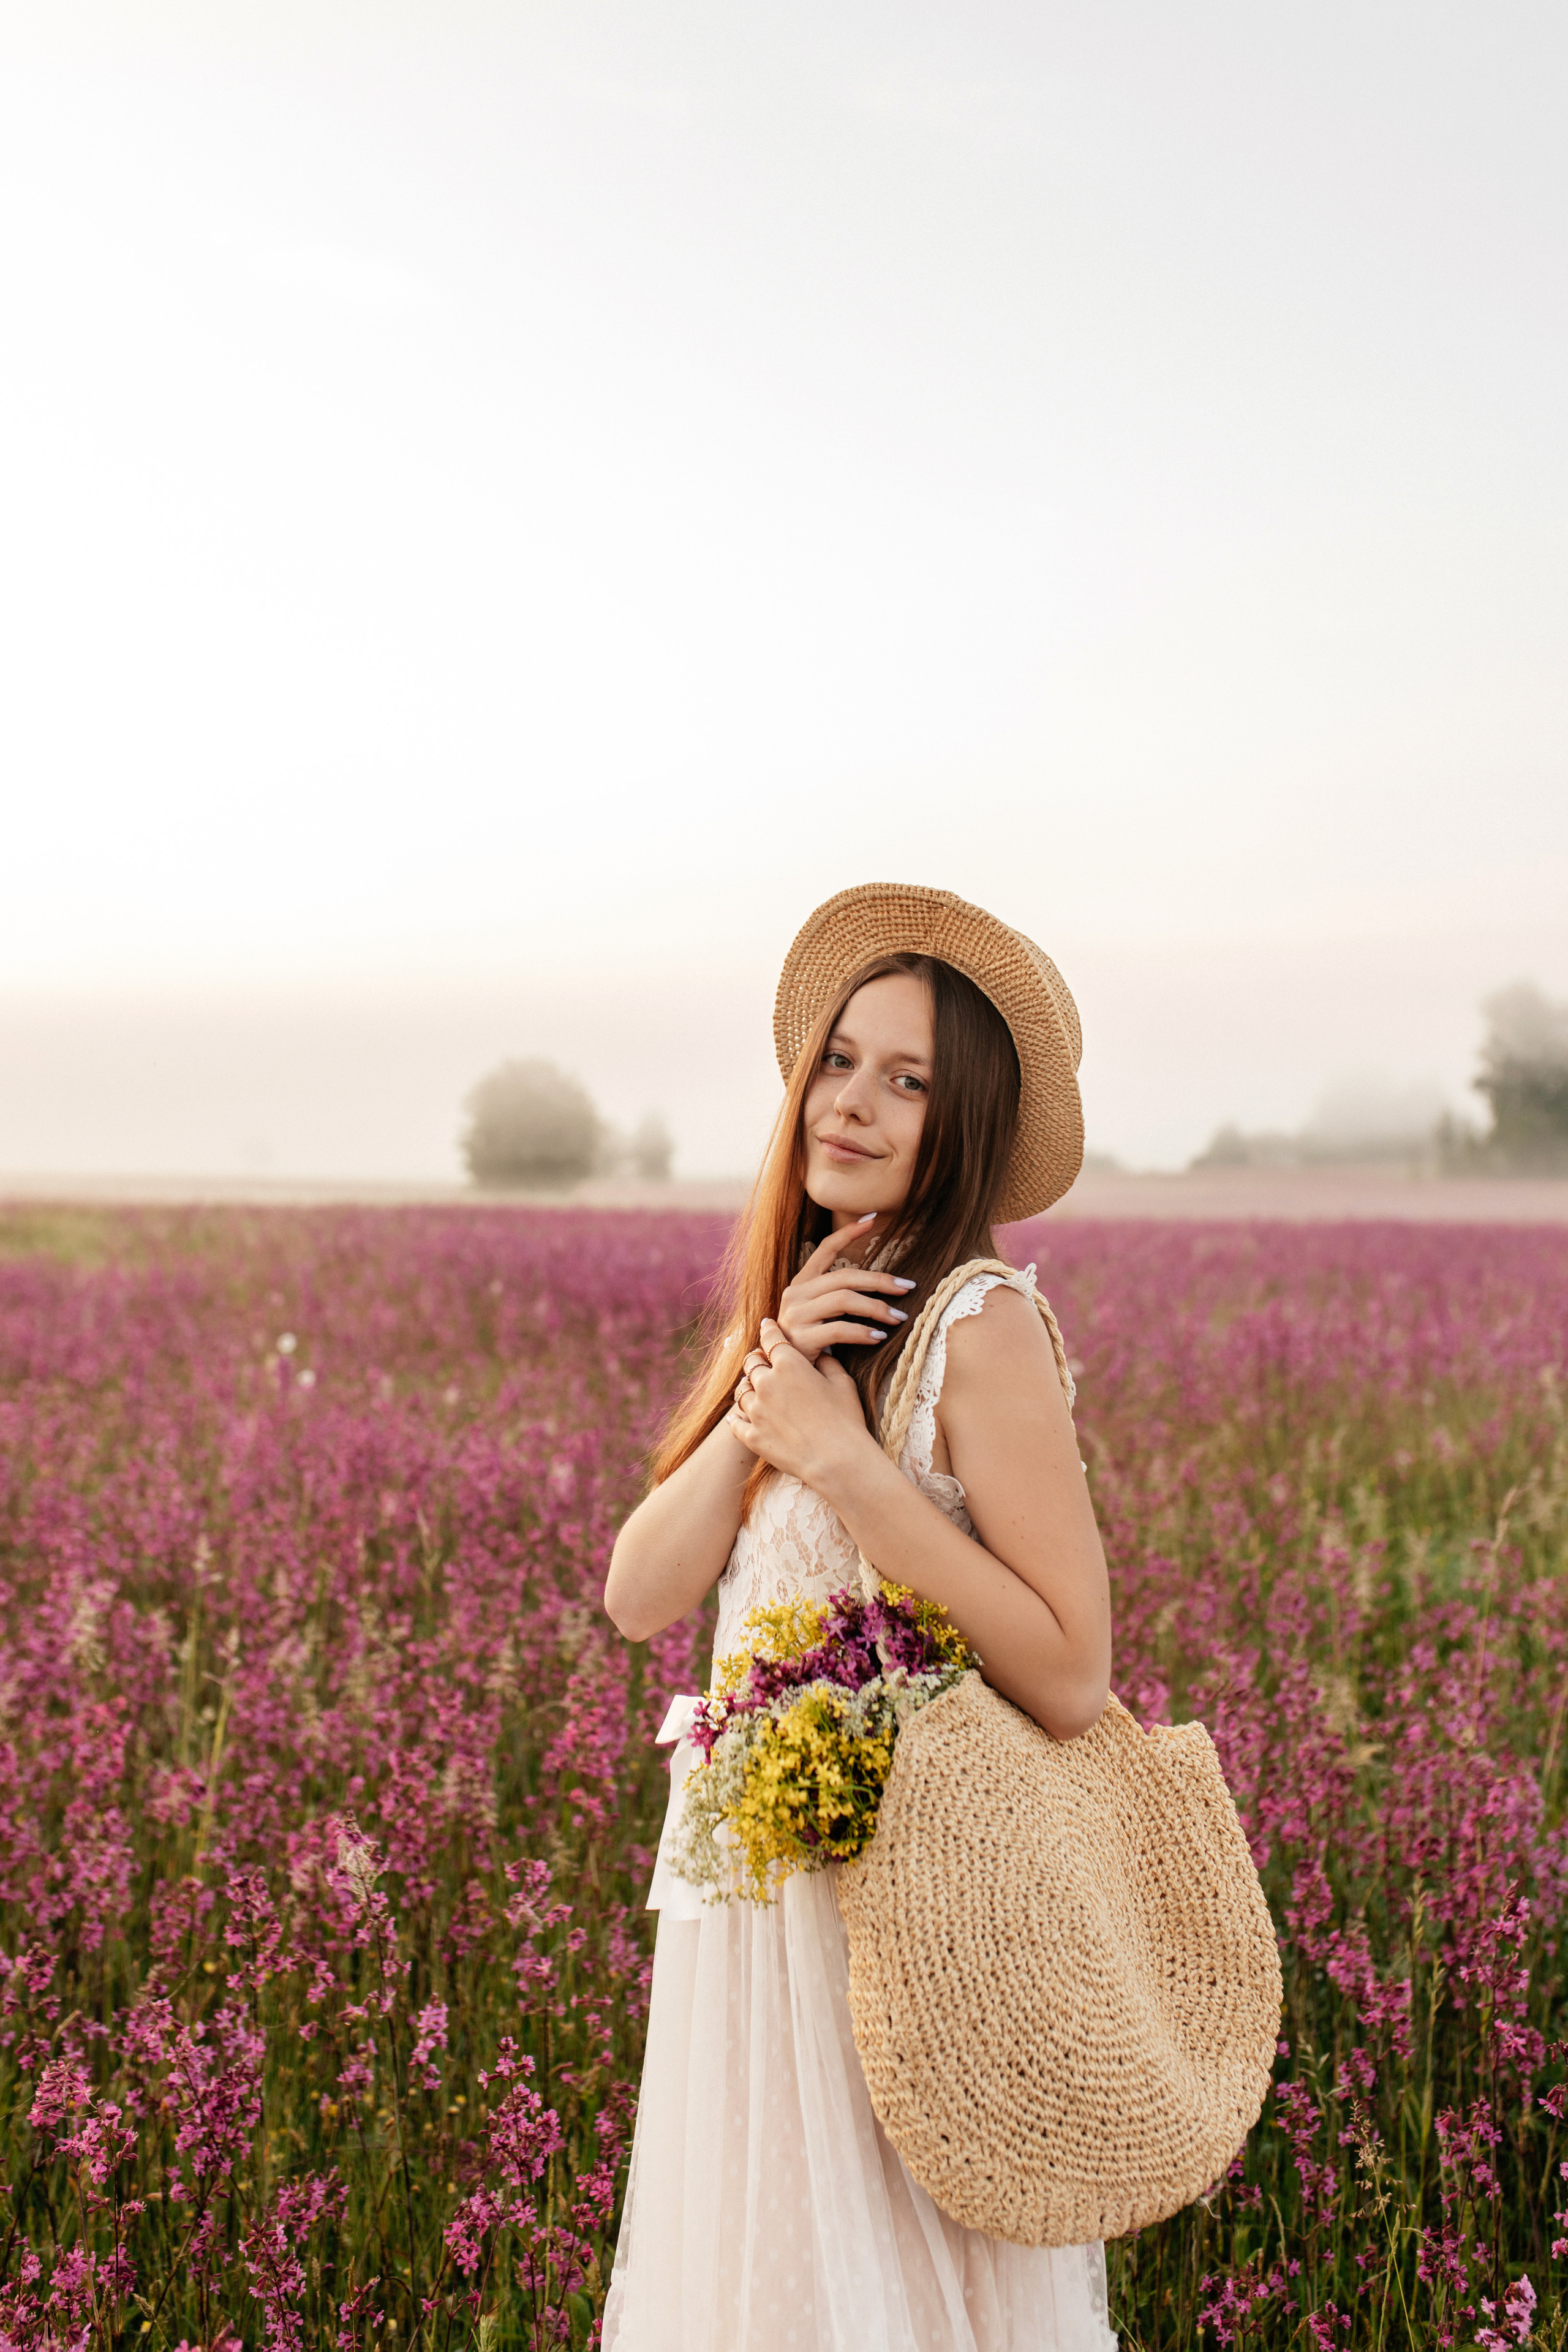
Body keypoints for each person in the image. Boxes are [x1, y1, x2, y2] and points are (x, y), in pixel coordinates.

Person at [601, 883, 1115, 2352]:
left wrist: (844, 1464)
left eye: (908, 1083)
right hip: (756, 1919)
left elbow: (1072, 1670)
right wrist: (764, 1400)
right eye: (840, 1061)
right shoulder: (802, 1310)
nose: (854, 1104)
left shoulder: (980, 1324)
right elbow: (641, 1594)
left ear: (956, 1131)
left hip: (910, 1923)